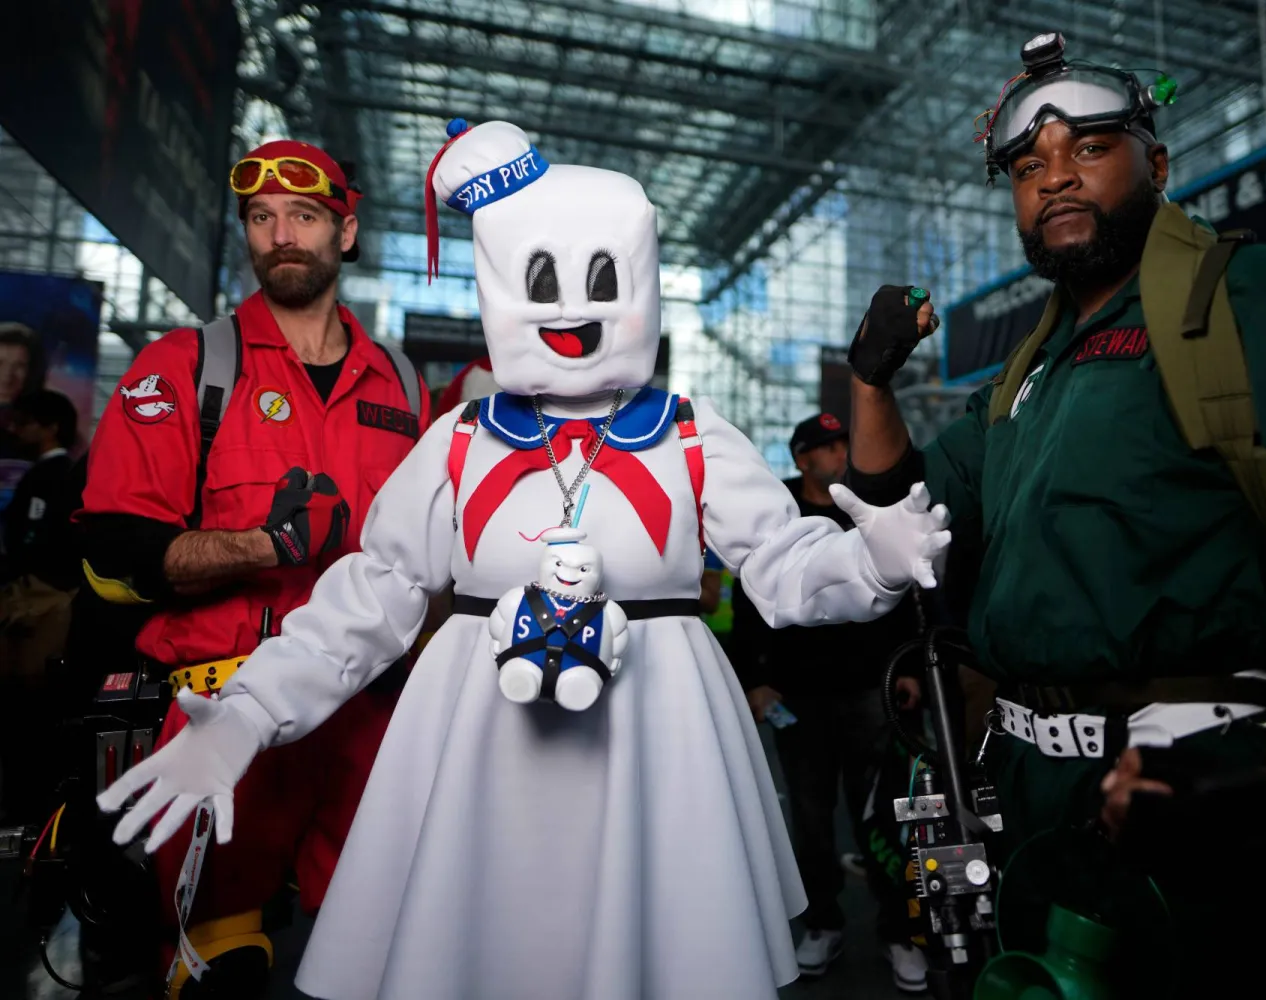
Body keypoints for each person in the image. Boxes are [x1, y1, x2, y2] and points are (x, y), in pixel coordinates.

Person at [95, 119, 951, 1000]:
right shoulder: (459, 439)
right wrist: (250, 709)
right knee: (473, 946)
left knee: (662, 951)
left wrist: (869, 565)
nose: (568, 307)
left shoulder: (691, 433)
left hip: (656, 725)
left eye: (598, 278)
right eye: (538, 279)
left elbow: (783, 563)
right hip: (479, 729)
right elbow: (374, 592)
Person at [842, 32, 1266, 1000]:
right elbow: (908, 510)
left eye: (1089, 149)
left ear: (1157, 163)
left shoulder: (1257, 298)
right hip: (1039, 809)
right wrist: (871, 381)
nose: (1054, 179)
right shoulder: (1027, 371)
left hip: (1202, 786)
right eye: (1026, 167)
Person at [77, 139, 429, 998]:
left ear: (345, 233)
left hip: (370, 725)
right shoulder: (188, 368)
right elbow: (113, 556)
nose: (282, 236)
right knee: (216, 965)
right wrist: (265, 546)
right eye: (263, 219)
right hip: (222, 715)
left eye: (304, 217)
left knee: (382, 956)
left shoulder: (407, 386)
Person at [731, 412, 928, 992]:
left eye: (844, 441)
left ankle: (898, 934)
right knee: (812, 823)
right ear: (800, 460)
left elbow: (908, 589)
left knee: (886, 818)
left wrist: (910, 668)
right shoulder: (777, 513)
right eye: (826, 446)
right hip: (799, 696)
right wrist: (754, 682)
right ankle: (823, 923)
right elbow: (748, 605)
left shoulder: (868, 503)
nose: (841, 451)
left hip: (873, 689)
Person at [0, 390, 83, 819]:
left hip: (41, 604)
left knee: (27, 703)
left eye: (27, 421)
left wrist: (29, 579)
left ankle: (25, 807)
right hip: (39, 599)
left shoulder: (53, 476)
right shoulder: (52, 474)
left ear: (50, 426)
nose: (17, 429)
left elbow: (37, 539)